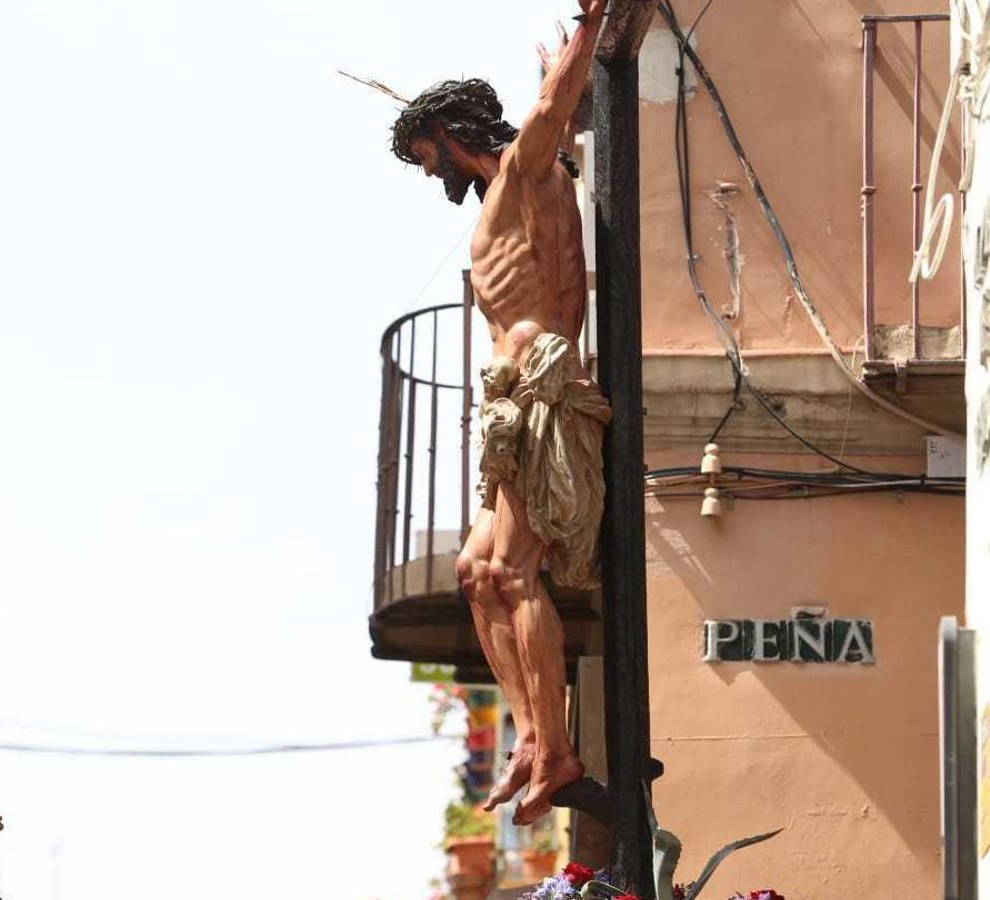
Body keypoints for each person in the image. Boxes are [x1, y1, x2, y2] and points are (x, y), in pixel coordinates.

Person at [389, 0, 610, 826]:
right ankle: (529, 736)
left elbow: (551, 109)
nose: (426, 172)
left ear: (452, 131)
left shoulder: (525, 169)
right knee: (476, 574)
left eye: (425, 154)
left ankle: (557, 750)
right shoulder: (502, 196)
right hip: (511, 406)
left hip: (544, 392)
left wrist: (589, 29)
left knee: (514, 573)